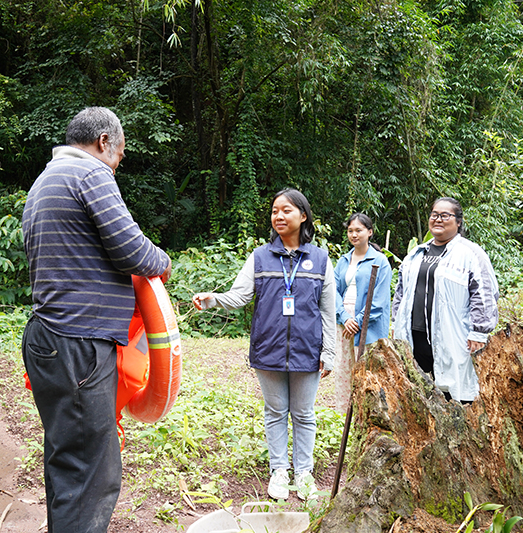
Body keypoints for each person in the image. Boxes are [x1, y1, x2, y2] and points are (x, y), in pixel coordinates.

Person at [21, 106, 171, 533]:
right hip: (79, 343)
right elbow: (132, 251)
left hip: (49, 339)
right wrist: (164, 261)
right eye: (120, 155)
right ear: (104, 142)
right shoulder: (90, 174)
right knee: (94, 471)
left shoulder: (45, 181)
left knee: (69, 460)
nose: (118, 165)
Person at [191, 188, 335, 501]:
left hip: (308, 349)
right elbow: (241, 295)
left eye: (286, 210)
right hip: (268, 349)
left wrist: (330, 352)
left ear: (303, 215)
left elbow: (328, 311)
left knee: (304, 413)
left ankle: (305, 473)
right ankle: (279, 471)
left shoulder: (321, 260)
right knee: (275, 412)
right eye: (274, 211)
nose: (279, 216)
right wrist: (213, 300)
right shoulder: (260, 257)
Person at [391, 197, 498, 403]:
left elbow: (484, 293)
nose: (438, 219)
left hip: (453, 337)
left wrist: (479, 331)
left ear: (458, 222)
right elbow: (401, 293)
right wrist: (397, 322)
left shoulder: (470, 253)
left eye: (445, 215)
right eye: (434, 215)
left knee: (456, 396)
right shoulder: (416, 253)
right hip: (415, 337)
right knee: (418, 395)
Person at [333, 213, 392, 413]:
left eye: (358, 230)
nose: (354, 234)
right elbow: (333, 291)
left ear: (369, 232)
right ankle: (348, 415)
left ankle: (371, 415)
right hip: (343, 322)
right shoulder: (343, 260)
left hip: (369, 325)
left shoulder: (380, 261)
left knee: (369, 371)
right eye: (350, 231)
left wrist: (357, 321)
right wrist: (344, 317)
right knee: (345, 368)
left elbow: (379, 301)